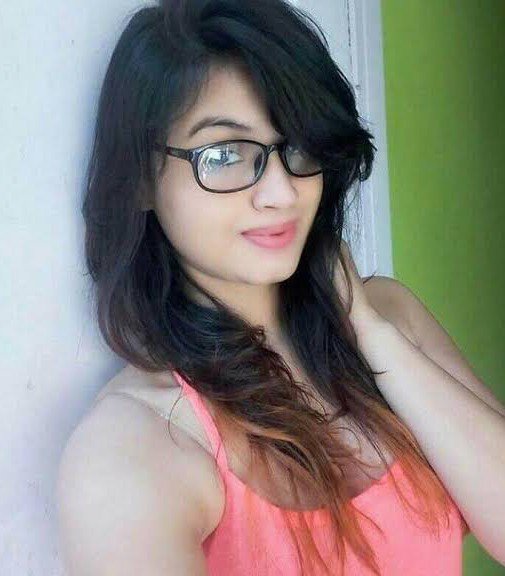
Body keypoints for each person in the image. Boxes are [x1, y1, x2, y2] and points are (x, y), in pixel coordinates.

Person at [57, 0, 505, 574]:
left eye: (298, 147)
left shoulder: (389, 315)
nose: (282, 192)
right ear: (142, 176)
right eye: (224, 154)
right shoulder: (135, 446)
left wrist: (372, 336)